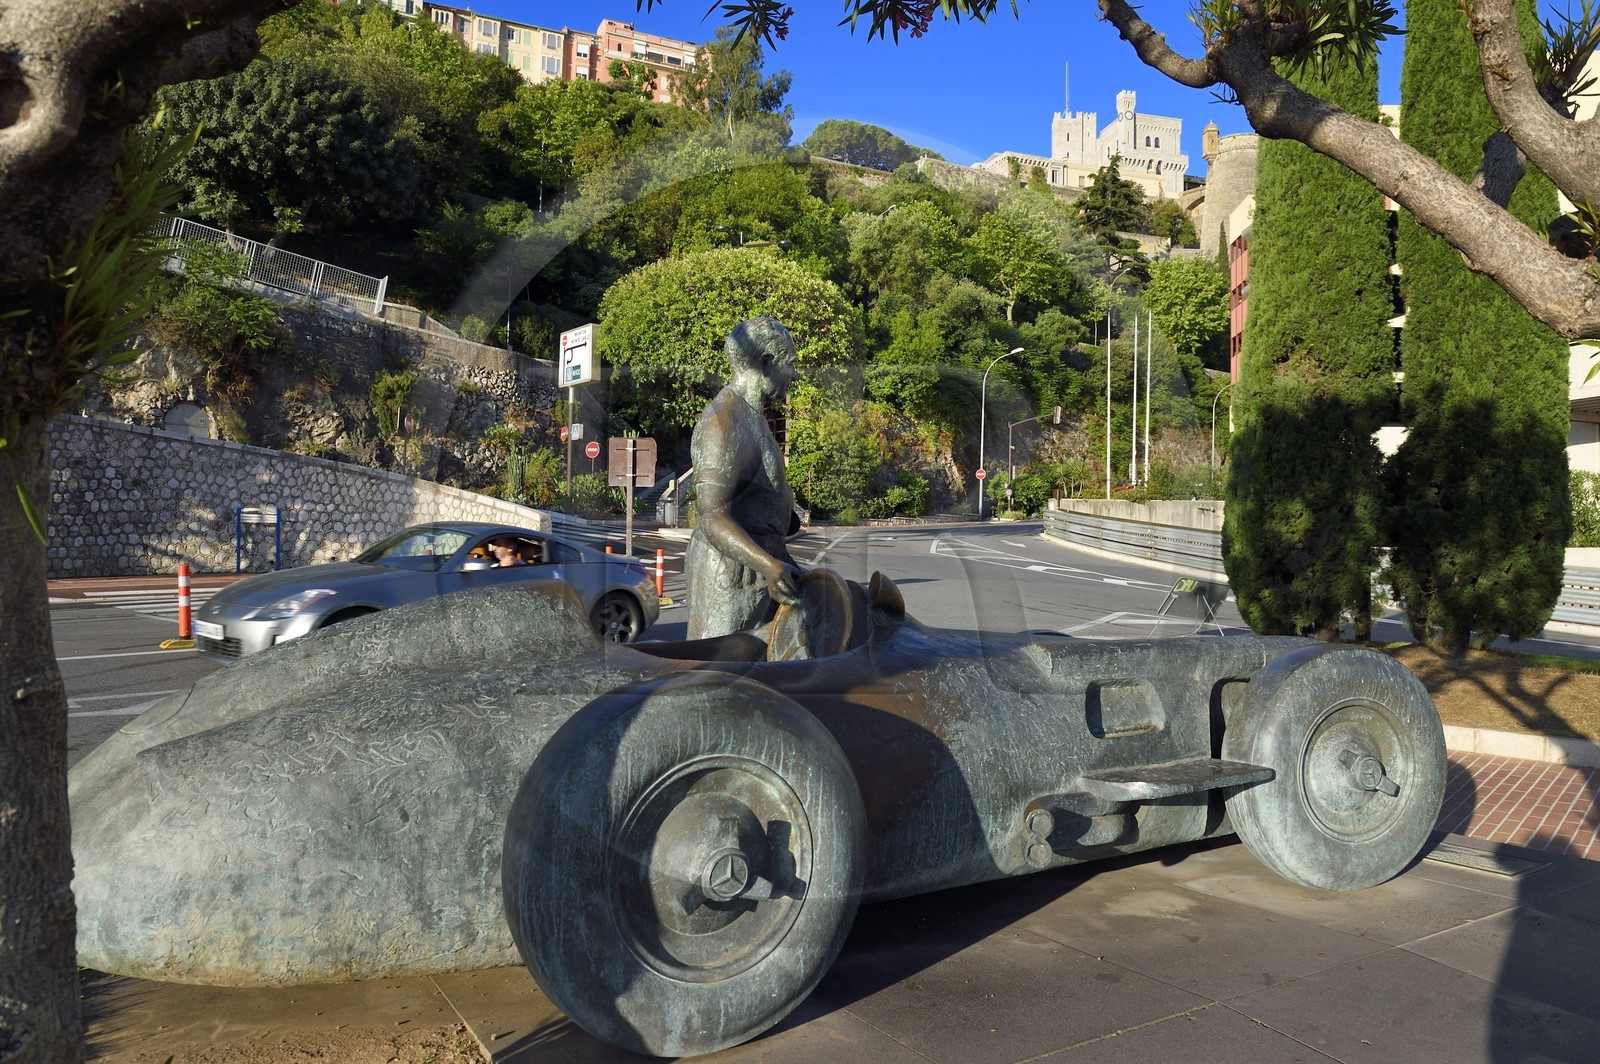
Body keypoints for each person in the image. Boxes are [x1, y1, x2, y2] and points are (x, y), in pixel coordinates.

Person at [685, 318, 806, 640]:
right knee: (721, 674)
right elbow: (711, 516)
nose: (794, 374)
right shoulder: (723, 423)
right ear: (766, 363)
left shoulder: (754, 416)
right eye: (790, 365)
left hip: (761, 568)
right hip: (731, 574)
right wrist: (768, 565)